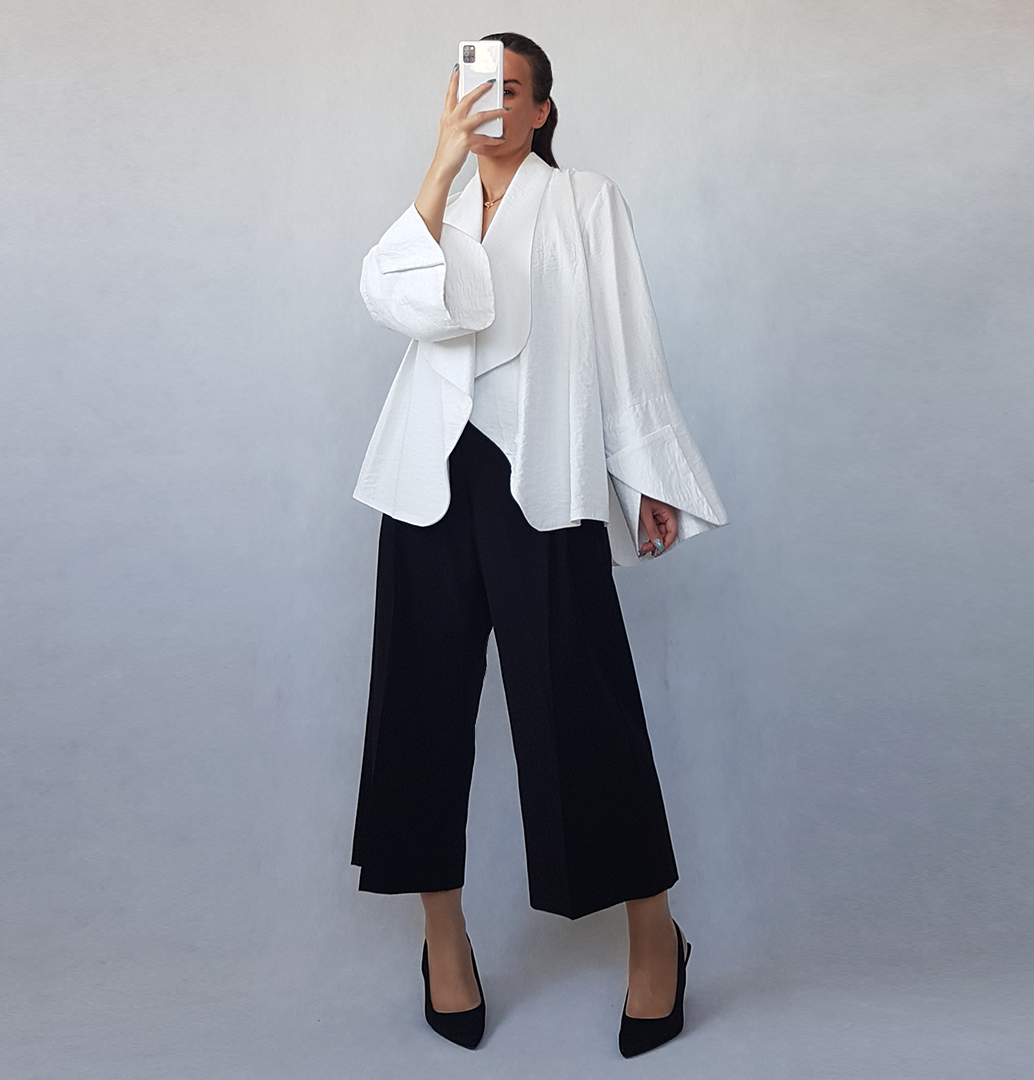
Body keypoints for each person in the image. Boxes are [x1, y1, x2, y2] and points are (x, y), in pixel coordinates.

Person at [350, 32, 728, 1057]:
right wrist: (439, 164)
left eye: (514, 91)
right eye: (479, 90)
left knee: (581, 707)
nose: (496, 106)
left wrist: (645, 472)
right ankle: (442, 940)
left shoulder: (585, 202)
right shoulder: (434, 208)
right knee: (418, 711)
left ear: (544, 110)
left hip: (543, 476)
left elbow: (626, 339)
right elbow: (393, 299)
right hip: (427, 480)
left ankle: (654, 937)